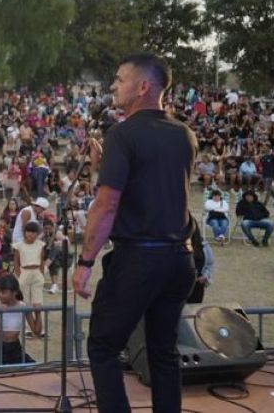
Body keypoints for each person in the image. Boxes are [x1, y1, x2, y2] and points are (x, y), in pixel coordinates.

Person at [72, 53, 197, 413]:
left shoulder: (122, 135)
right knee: (164, 352)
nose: (113, 85)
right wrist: (104, 166)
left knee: (103, 346)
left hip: (140, 259)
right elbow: (153, 188)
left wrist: (85, 262)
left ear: (143, 87)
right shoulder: (184, 134)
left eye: (120, 79)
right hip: (180, 259)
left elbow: (107, 205)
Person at [0, 274, 39, 366]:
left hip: (14, 348)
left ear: (15, 292)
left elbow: (36, 332)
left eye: (3, 292)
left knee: (33, 367)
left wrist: (38, 313)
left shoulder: (23, 306)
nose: (0, 295)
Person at [13, 221, 47, 333]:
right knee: (26, 303)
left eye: (33, 232)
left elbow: (42, 261)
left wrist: (42, 275)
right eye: (28, 232)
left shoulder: (40, 244)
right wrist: (20, 275)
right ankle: (29, 328)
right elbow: (16, 262)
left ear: (37, 234)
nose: (31, 235)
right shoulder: (19, 245)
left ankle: (39, 329)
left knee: (38, 304)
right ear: (25, 232)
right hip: (24, 272)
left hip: (36, 271)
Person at [187, 219, 214, 304]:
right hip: (179, 286)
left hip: (197, 286)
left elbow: (210, 264)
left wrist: (205, 276)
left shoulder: (204, 245)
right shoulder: (176, 244)